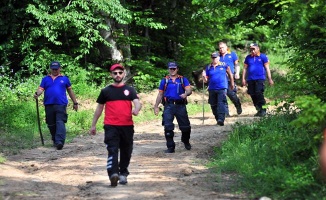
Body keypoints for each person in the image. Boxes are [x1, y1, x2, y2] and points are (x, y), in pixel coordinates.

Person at [89, 63, 141, 187]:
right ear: (111, 75)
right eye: (115, 73)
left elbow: (138, 103)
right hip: (111, 126)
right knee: (112, 149)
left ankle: (123, 173)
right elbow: (99, 108)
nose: (117, 75)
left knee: (126, 150)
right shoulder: (106, 91)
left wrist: (136, 109)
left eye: (120, 73)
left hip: (127, 126)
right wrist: (93, 125)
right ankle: (113, 174)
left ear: (123, 74)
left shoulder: (130, 90)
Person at [34, 61, 78, 150]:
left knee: (60, 122)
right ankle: (55, 139)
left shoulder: (65, 79)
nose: (54, 70)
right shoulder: (45, 79)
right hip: (48, 104)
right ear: (50, 69)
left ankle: (59, 142)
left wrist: (75, 102)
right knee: (51, 124)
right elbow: (40, 89)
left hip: (61, 104)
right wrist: (37, 94)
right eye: (53, 69)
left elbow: (70, 91)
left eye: (56, 68)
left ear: (59, 68)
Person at [154, 61, 192, 153]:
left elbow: (189, 90)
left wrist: (186, 94)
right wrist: (156, 106)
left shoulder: (183, 79)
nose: (172, 70)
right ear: (168, 69)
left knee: (185, 127)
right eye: (170, 68)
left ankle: (185, 140)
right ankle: (170, 147)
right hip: (168, 106)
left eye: (174, 68)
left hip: (180, 106)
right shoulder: (165, 80)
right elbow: (160, 94)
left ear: (177, 69)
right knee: (168, 126)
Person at [242, 43, 274, 117]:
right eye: (251, 49)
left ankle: (263, 110)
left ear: (258, 48)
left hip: (260, 78)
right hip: (250, 79)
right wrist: (243, 78)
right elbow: (245, 68)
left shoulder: (263, 57)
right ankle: (258, 109)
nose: (252, 51)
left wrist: (270, 79)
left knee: (259, 93)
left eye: (254, 49)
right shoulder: (248, 57)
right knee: (252, 94)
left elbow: (267, 68)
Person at [202, 52, 234, 126]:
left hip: (222, 87)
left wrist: (232, 83)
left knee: (221, 103)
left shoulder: (224, 65)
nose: (214, 59)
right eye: (213, 58)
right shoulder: (208, 67)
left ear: (219, 58)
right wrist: (203, 76)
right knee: (213, 104)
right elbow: (205, 81)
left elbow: (230, 74)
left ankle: (221, 119)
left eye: (216, 57)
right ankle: (217, 118)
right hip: (212, 88)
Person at [218, 41, 242, 116]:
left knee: (231, 94)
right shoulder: (218, 56)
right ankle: (226, 112)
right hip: (221, 78)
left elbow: (237, 64)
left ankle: (238, 105)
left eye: (222, 47)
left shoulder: (232, 54)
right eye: (220, 48)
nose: (221, 49)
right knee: (222, 95)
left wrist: (237, 73)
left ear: (226, 47)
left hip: (230, 77)